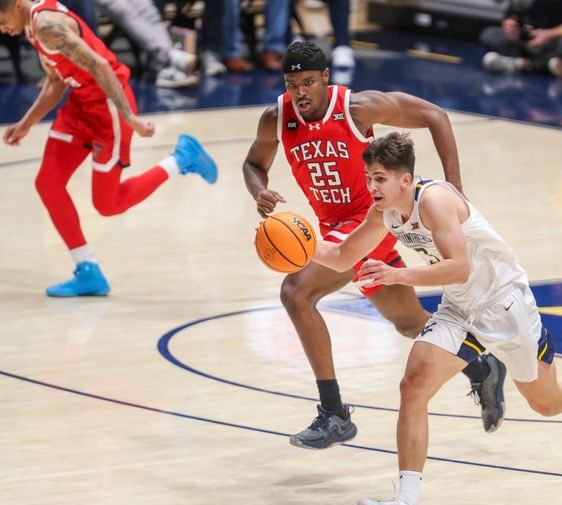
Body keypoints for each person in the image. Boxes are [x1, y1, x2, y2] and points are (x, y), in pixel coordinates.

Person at [312, 132, 562, 505]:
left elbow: (459, 267)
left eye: (379, 178)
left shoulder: (434, 200)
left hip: (504, 303)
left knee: (546, 402)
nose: (371, 186)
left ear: (404, 179)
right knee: (413, 385)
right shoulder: (384, 213)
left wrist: (399, 274)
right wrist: (299, 243)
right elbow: (343, 256)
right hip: (459, 307)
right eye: (369, 177)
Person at [242, 40, 507, 450]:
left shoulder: (358, 108)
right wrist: (259, 190)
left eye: (309, 82)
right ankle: (482, 367)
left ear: (326, 78)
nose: (301, 93)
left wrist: (455, 187)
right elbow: (253, 164)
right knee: (408, 322)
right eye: (293, 84)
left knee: (296, 293)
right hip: (337, 227)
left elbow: (435, 115)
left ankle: (333, 413)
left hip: (374, 220)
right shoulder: (276, 118)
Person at [0, 0, 217, 296]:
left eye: (1, 20)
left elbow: (100, 65)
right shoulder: (32, 27)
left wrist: (129, 116)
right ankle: (88, 270)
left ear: (17, 4)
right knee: (48, 183)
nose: (2, 29)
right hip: (80, 107)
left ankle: (182, 158)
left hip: (108, 109)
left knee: (107, 204)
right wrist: (27, 123)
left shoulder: (47, 26)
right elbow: (55, 79)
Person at [480, 0, 562, 77]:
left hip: (559, 40)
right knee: (489, 34)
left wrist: (550, 34)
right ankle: (550, 65)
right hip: (531, 41)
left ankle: (522, 64)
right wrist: (510, 26)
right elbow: (512, 16)